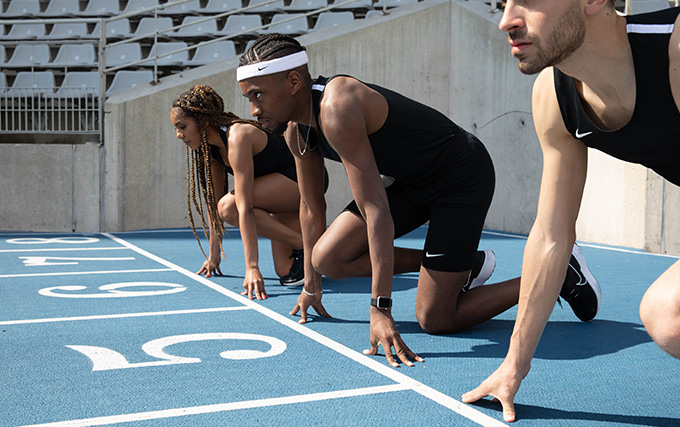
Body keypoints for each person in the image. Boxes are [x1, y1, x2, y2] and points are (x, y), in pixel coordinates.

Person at [235, 34, 597, 368]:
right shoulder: (296, 130)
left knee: (437, 320)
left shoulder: (337, 104)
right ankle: (463, 268)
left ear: (293, 83)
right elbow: (311, 206)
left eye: (257, 95)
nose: (253, 110)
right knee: (326, 257)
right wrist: (311, 285)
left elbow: (376, 210)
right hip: (412, 184)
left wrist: (381, 309)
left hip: (459, 176)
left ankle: (558, 272)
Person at [462, 2, 680, 422]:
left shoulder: (674, 49)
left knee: (665, 310)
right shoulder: (554, 96)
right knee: (671, 316)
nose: (506, 20)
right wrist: (514, 365)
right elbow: (551, 236)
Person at [170, 84, 307, 299]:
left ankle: (303, 244)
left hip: (301, 183)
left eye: (182, 126)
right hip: (277, 196)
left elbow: (243, 207)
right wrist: (214, 255)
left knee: (231, 206)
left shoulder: (238, 137)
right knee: (286, 272)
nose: (179, 135)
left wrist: (252, 267)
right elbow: (213, 203)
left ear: (203, 121)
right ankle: (310, 244)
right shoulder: (211, 150)